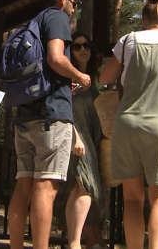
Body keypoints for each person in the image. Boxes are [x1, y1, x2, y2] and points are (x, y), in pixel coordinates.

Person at [99, 0, 158, 249]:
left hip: (128, 126)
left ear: (143, 19)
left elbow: (104, 79)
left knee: (133, 199)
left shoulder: (129, 40)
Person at [7, 0, 92, 249]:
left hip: (25, 117)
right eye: (74, 3)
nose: (74, 9)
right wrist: (80, 74)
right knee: (45, 187)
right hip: (51, 117)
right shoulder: (56, 16)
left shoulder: (33, 21)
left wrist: (69, 80)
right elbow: (56, 58)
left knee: (23, 187)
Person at [53, 31, 107, 249]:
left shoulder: (93, 83)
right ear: (70, 51)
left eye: (86, 46)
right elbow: (64, 111)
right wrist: (75, 137)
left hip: (92, 145)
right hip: (75, 141)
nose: (83, 49)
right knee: (84, 187)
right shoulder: (68, 81)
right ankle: (75, 243)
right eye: (77, 46)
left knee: (89, 190)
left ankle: (92, 240)